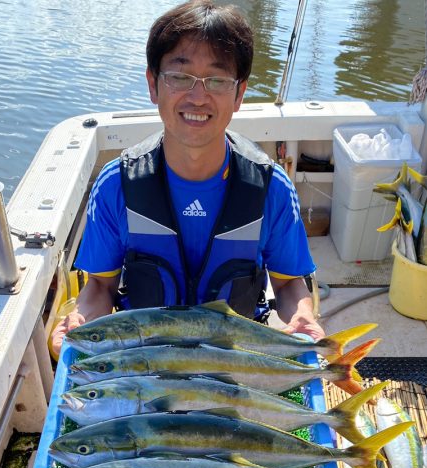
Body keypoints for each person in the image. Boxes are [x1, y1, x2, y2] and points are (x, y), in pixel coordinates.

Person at [51, 0, 325, 355]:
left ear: (239, 94)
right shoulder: (117, 185)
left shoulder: (270, 188)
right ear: (153, 85)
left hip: (233, 359)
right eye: (180, 77)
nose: (198, 97)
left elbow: (288, 285)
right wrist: (82, 321)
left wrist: (303, 315)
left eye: (217, 80)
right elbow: (101, 287)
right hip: (144, 359)